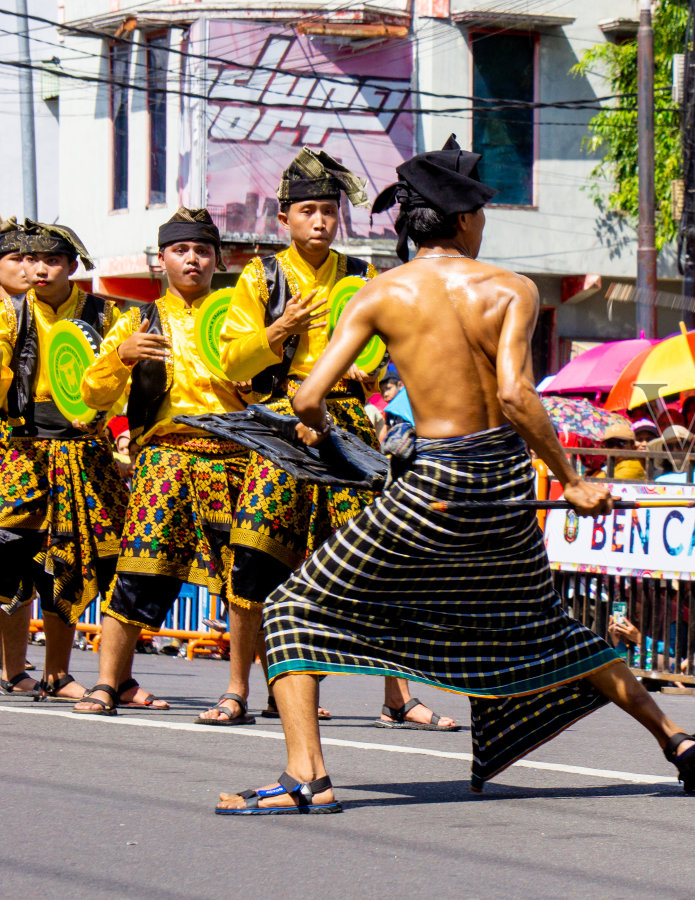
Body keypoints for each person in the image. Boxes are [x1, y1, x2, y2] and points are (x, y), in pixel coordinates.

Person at [214, 138, 695, 814]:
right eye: (481, 212)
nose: (485, 223)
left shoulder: (379, 293)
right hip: (504, 481)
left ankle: (307, 775)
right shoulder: (512, 288)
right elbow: (513, 395)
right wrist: (569, 479)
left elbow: (308, 399)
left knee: (290, 606)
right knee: (542, 620)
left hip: (433, 486)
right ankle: (676, 739)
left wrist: (336, 441)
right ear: (460, 219)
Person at [217, 150, 447, 729]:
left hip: (344, 423)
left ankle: (399, 696)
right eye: (308, 211)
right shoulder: (260, 276)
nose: (320, 222)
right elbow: (230, 359)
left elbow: (391, 343)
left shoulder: (359, 277)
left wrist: (373, 369)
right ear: (284, 219)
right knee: (253, 553)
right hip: (280, 422)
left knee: (374, 558)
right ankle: (238, 688)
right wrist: (279, 329)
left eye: (329, 212)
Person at [71, 210, 251, 716]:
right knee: (138, 567)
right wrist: (122, 356)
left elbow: (270, 383)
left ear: (217, 258)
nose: (192, 259)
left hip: (233, 455)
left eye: (202, 250)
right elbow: (92, 395)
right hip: (165, 457)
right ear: (163, 259)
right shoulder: (136, 321)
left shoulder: (243, 317)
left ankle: (238, 690)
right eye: (181, 250)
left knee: (245, 574)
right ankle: (107, 683)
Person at [0, 221, 128, 702]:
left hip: (85, 449)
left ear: (72, 265)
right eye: (30, 259)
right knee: (12, 558)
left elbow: (123, 387)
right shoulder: (9, 312)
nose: (38, 269)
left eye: (51, 260)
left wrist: (118, 434)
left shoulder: (105, 311)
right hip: (20, 448)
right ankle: (14, 669)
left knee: (71, 562)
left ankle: (59, 672)